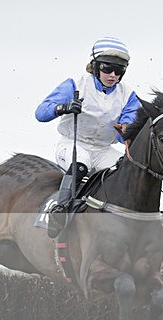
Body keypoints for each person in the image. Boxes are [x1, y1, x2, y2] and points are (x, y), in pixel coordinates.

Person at [35, 36, 140, 237]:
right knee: (80, 164)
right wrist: (63, 107)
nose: (113, 75)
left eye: (119, 71)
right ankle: (60, 211)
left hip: (103, 149)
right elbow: (41, 113)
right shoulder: (75, 84)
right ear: (95, 65)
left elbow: (125, 132)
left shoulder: (128, 94)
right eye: (107, 69)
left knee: (127, 169)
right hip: (73, 144)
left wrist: (125, 132)